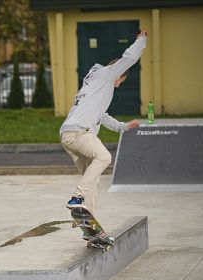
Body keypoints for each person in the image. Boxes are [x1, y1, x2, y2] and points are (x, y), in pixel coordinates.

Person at [61, 31, 148, 215]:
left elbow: (102, 116)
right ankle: (77, 197)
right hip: (80, 134)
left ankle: (89, 225)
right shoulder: (107, 76)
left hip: (67, 136)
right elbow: (129, 58)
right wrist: (141, 41)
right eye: (121, 82)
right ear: (119, 76)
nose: (119, 85)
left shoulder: (92, 84)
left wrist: (122, 127)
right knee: (104, 158)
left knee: (91, 179)